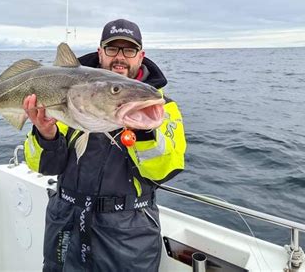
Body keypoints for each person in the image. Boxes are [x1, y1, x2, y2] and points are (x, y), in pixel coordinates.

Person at [23, 19, 186, 271]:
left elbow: (166, 170)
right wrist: (46, 135)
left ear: (140, 56)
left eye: (129, 50)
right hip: (65, 220)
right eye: (112, 49)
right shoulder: (71, 97)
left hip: (128, 235)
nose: (119, 57)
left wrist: (143, 133)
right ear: (100, 52)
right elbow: (42, 165)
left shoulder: (160, 105)